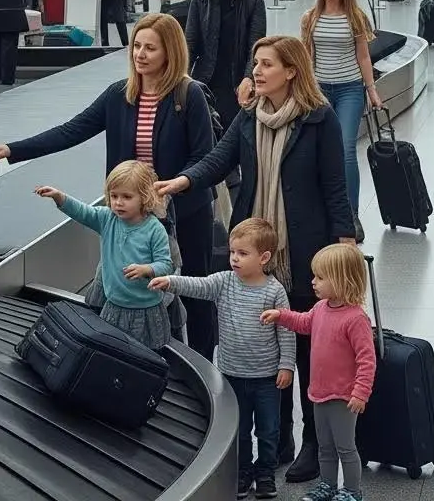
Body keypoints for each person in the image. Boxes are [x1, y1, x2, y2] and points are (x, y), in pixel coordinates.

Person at [154, 35, 357, 483]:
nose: (257, 71)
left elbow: (335, 185)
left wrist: (344, 245)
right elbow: (218, 159)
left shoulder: (318, 118)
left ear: (291, 71)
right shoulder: (249, 116)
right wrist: (182, 182)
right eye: (256, 63)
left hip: (303, 250)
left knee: (307, 353)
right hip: (257, 251)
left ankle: (312, 443)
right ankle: (278, 440)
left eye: (267, 64)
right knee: (268, 350)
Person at [0, 13, 217, 352]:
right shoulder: (119, 95)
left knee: (192, 290)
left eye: (150, 48)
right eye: (137, 46)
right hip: (132, 216)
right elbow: (72, 130)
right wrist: (13, 149)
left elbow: (204, 155)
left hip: (184, 212)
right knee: (132, 290)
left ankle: (203, 363)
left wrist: (179, 183)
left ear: (170, 52)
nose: (140, 54)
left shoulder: (189, 95)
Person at [151, 217, 295, 500]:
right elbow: (198, 285)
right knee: (240, 430)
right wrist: (170, 282)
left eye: (243, 253)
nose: (234, 258)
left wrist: (286, 365)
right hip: (232, 375)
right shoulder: (224, 282)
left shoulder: (275, 291)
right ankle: (243, 472)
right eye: (232, 252)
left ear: (264, 257)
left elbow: (286, 331)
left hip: (266, 378)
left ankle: (265, 473)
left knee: (268, 430)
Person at [261, 244, 376, 501]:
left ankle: (352, 491)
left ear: (343, 280)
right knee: (325, 447)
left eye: (321, 277)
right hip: (319, 393)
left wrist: (360, 392)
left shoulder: (356, 319)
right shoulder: (321, 307)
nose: (313, 282)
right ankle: (327, 485)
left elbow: (366, 360)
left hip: (344, 397)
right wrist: (281, 315)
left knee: (345, 447)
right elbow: (304, 323)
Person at [34, 161, 173, 350]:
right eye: (114, 196)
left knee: (144, 353)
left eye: (126, 197)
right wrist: (60, 197)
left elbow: (165, 265)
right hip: (113, 305)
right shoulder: (107, 219)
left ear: (144, 197)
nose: (118, 202)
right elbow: (83, 212)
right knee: (112, 350)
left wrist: (147, 269)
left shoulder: (154, 230)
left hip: (145, 308)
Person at [301, 0, 382, 243]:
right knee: (319, 152)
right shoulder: (310, 18)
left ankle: (351, 215)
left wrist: (371, 90)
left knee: (346, 148)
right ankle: (324, 213)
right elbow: (306, 56)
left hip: (350, 89)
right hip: (319, 91)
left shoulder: (355, 17)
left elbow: (363, 56)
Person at [186, 0, 266, 131]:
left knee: (234, 136)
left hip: (238, 81)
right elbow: (190, 43)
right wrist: (182, 74)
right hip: (206, 80)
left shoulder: (253, 0)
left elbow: (256, 47)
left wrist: (248, 78)